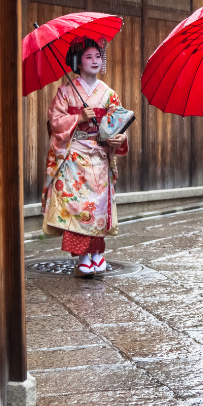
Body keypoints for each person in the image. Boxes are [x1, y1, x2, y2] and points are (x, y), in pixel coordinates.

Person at [41, 36, 129, 277]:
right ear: (78, 62)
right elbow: (55, 121)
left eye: (97, 56)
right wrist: (78, 118)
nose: (94, 60)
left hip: (99, 156)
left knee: (98, 209)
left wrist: (118, 138)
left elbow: (118, 124)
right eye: (88, 56)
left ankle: (98, 254)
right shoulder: (66, 91)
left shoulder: (108, 94)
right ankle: (82, 257)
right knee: (77, 208)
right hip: (74, 158)